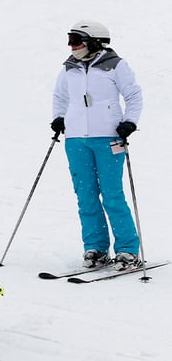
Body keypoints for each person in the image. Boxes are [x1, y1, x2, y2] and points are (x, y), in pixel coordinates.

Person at [51, 20, 143, 271]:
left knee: (112, 195)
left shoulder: (115, 66)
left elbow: (133, 95)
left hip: (109, 137)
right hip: (76, 139)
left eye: (77, 40)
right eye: (70, 40)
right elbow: (60, 96)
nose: (72, 46)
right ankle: (96, 247)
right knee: (86, 195)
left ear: (94, 42)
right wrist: (59, 117)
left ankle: (127, 250)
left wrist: (129, 122)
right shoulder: (69, 68)